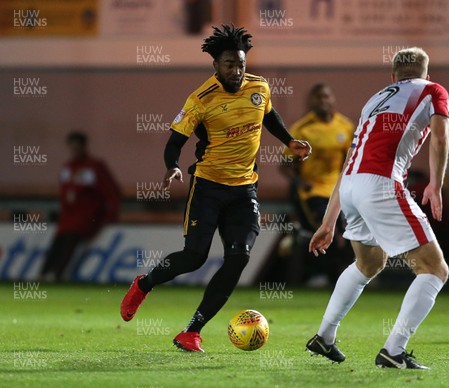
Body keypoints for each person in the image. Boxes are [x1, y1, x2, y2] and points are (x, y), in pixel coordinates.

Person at [120, 24, 311, 352]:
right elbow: (174, 142)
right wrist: (173, 167)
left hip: (244, 190)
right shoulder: (200, 100)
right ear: (215, 66)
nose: (236, 71)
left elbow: (268, 115)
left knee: (239, 257)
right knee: (194, 257)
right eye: (229, 65)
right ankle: (145, 283)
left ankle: (192, 331)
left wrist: (289, 140)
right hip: (208, 187)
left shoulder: (259, 87)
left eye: (241, 64)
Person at [305, 47, 449, 369]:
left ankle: (324, 337)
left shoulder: (374, 100)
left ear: (393, 77)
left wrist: (329, 221)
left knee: (368, 263)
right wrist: (436, 185)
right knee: (434, 269)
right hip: (381, 184)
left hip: (352, 185)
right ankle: (394, 351)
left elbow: (348, 161)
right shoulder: (433, 90)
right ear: (426, 74)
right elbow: (440, 137)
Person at [280, 83, 355, 285]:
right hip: (313, 192)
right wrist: (300, 182)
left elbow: (353, 159)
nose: (323, 101)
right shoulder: (302, 129)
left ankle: (338, 278)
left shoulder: (346, 127)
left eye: (326, 97)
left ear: (333, 99)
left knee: (345, 235)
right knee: (328, 231)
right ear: (311, 102)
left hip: (339, 191)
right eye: (318, 97)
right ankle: (324, 277)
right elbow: (284, 165)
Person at [40, 131, 120, 281]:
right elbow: (65, 194)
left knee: (70, 239)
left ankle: (58, 273)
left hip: (88, 217)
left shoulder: (94, 167)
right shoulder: (67, 168)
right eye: (72, 147)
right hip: (68, 218)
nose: (75, 151)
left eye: (77, 147)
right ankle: (45, 273)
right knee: (58, 241)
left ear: (84, 147)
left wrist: (110, 216)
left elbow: (112, 193)